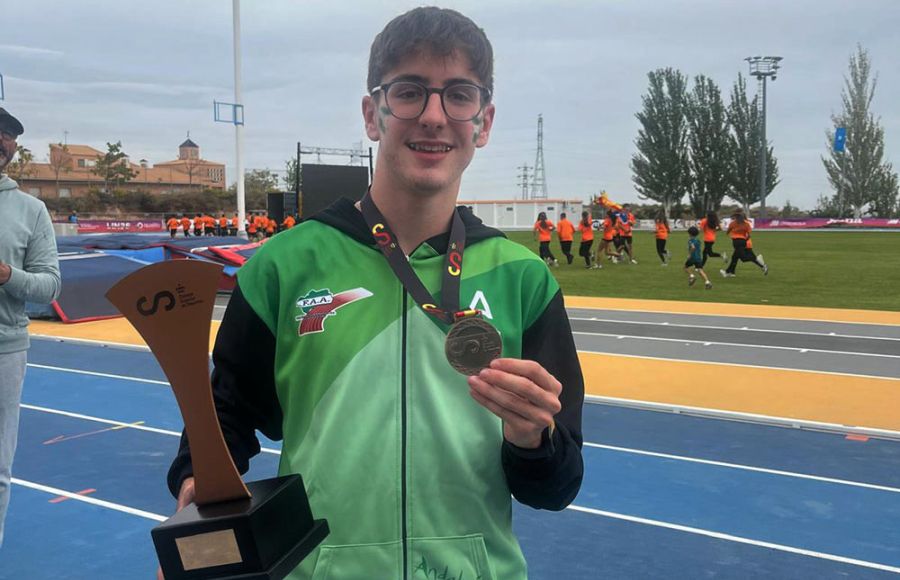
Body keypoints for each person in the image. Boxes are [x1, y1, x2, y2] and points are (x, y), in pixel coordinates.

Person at [162, 9, 583, 580]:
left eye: (458, 95)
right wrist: (197, 500)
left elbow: (556, 488)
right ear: (372, 113)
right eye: (409, 92)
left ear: (482, 122)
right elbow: (227, 415)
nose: (433, 117)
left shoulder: (523, 278)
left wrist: (533, 439)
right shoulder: (285, 265)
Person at [0, 107, 62, 547]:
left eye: (5, 135)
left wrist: (8, 276)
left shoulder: (31, 210)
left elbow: (50, 286)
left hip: (4, 350)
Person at [721, 212, 767, 277]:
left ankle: (758, 260)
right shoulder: (745, 224)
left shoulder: (735, 223)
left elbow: (728, 231)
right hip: (743, 242)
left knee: (743, 258)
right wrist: (744, 240)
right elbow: (748, 235)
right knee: (734, 257)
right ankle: (729, 272)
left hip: (739, 242)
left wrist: (730, 234)